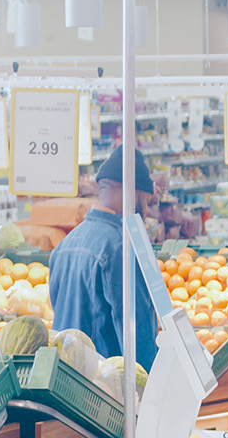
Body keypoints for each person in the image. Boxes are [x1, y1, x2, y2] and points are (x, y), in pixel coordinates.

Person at [48, 146, 159, 371]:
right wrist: (150, 381)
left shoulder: (64, 245)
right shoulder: (120, 247)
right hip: (104, 385)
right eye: (146, 201)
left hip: (67, 377)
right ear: (131, 191)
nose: (146, 211)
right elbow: (136, 333)